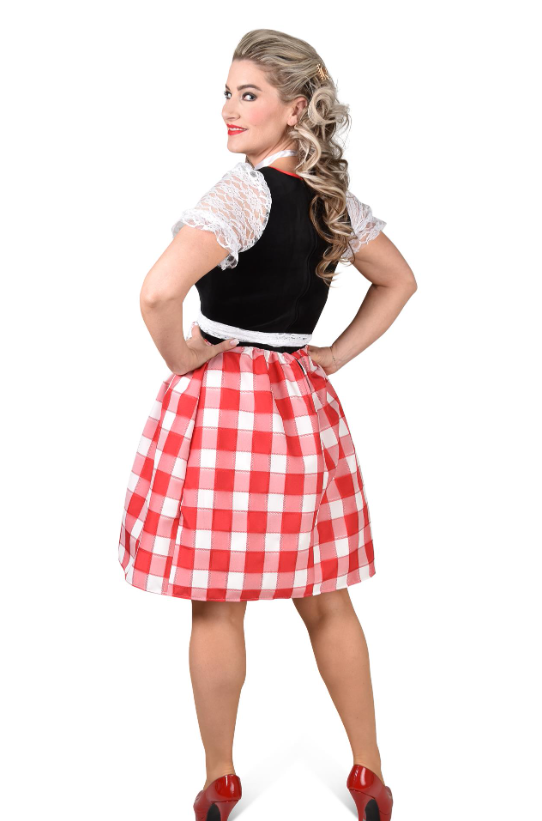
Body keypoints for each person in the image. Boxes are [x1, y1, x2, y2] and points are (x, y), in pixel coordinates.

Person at [117, 28, 416, 821]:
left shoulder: (243, 193)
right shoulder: (333, 200)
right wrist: (333, 356)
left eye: (248, 94)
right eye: (226, 93)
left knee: (218, 603)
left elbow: (157, 292)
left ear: (296, 107)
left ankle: (220, 777)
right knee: (326, 596)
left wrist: (182, 355)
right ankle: (369, 770)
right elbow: (399, 280)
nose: (229, 109)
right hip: (302, 409)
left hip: (226, 410)